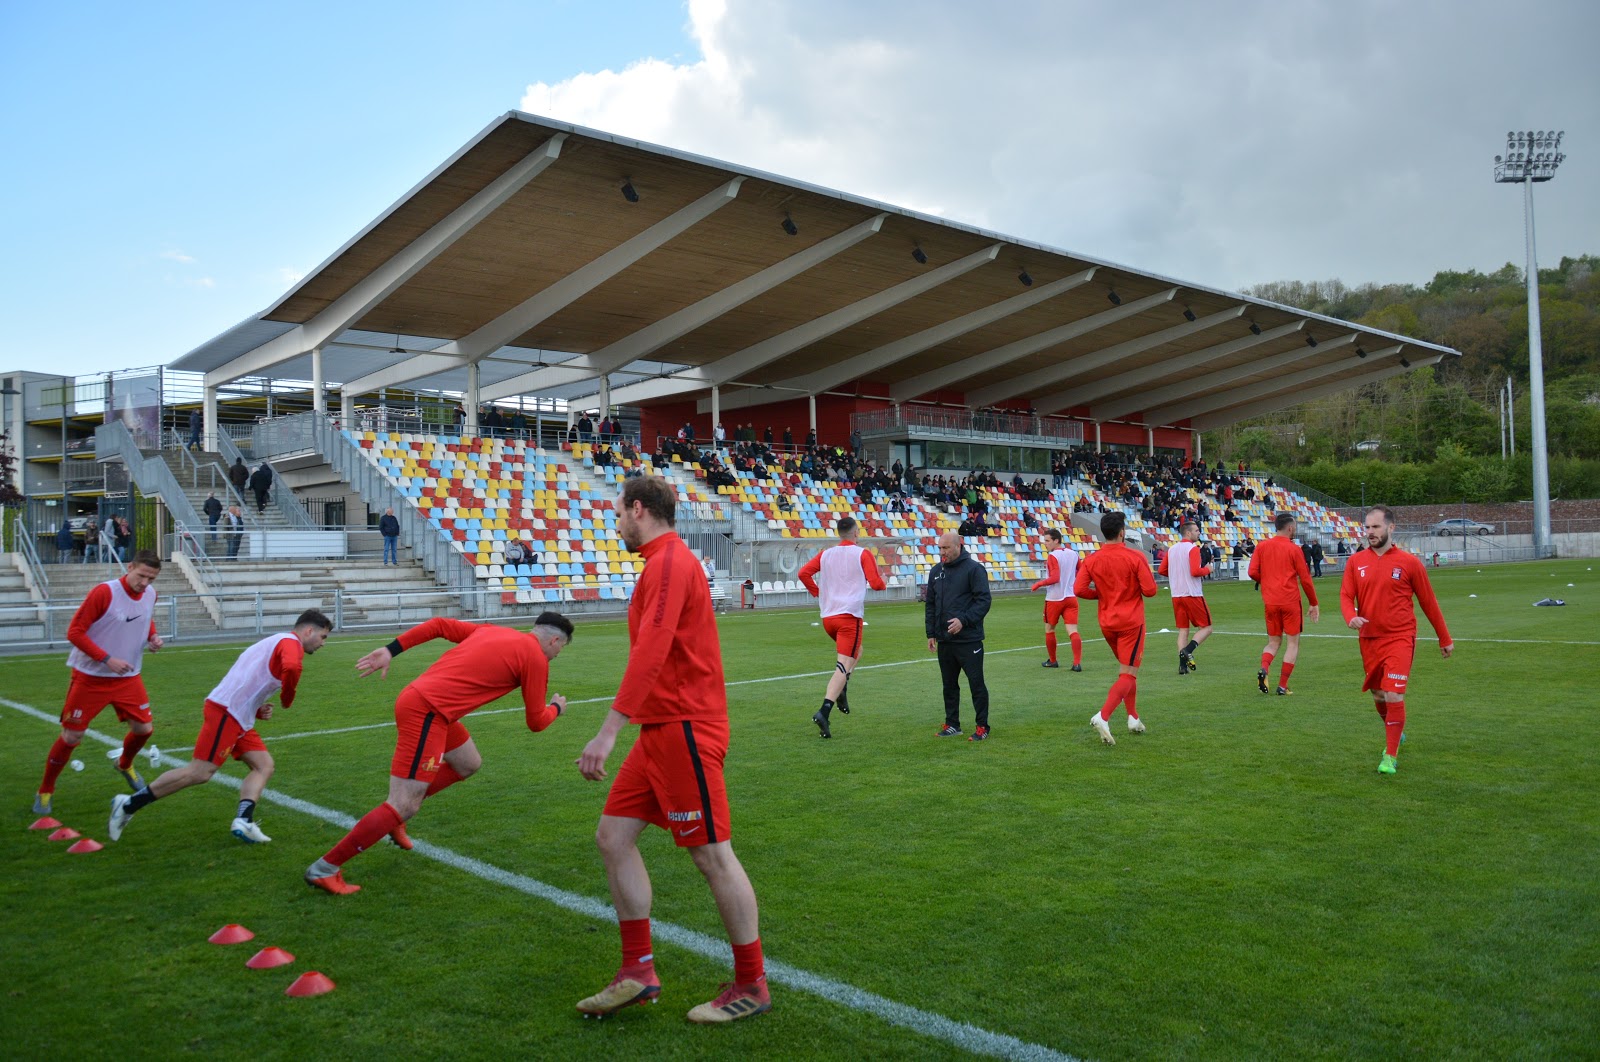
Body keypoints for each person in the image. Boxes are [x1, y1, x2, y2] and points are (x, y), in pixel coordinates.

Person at [575, 475, 770, 1024]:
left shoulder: (667, 563)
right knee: (613, 838)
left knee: (711, 855)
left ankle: (752, 984)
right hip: (660, 729)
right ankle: (638, 970)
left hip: (686, 727)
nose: (616, 524)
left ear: (638, 510)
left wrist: (608, 730)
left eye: (618, 513)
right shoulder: (662, 562)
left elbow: (653, 651)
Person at [304, 611, 574, 895]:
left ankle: (397, 820)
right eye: (561, 648)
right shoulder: (536, 659)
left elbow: (439, 625)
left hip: (430, 707)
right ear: (554, 640)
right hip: (428, 712)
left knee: (468, 763)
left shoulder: (496, 631)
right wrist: (556, 708)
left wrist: (390, 649)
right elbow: (536, 722)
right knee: (404, 803)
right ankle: (325, 868)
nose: (557, 654)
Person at [109, 611, 333, 844]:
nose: (323, 643)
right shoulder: (290, 644)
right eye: (323, 637)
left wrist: (256, 709)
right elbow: (292, 668)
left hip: (238, 716)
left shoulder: (275, 642)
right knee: (199, 772)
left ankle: (244, 821)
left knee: (263, 765)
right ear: (308, 631)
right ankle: (127, 805)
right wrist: (288, 697)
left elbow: (247, 680)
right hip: (227, 713)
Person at [32, 550, 166, 815]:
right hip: (90, 677)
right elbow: (74, 632)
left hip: (127, 677)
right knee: (72, 736)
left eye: (151, 578)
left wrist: (153, 637)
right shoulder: (104, 592)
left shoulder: (151, 594)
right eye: (141, 575)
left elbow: (144, 618)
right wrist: (107, 659)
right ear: (129, 567)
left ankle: (124, 763)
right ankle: (46, 790)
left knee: (144, 729)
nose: (145, 583)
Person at [1340, 505, 1453, 775]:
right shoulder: (1356, 562)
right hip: (1369, 639)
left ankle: (1389, 756)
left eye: (1375, 527)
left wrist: (1444, 637)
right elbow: (1346, 596)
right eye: (1367, 527)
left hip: (1400, 637)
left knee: (1393, 692)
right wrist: (1350, 617)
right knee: (1379, 694)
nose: (1370, 532)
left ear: (1391, 528)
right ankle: (1394, 728)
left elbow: (1429, 602)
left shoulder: (1409, 563)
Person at [797, 517, 887, 739]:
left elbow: (803, 573)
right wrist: (882, 579)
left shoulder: (826, 553)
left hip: (829, 617)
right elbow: (876, 584)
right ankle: (825, 710)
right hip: (849, 616)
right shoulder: (861, 553)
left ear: (839, 533)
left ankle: (842, 689)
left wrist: (818, 593)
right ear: (856, 533)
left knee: (858, 652)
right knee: (843, 663)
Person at [1075, 512, 1158, 745]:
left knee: (1127, 671)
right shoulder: (1135, 557)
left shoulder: (1092, 559)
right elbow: (1150, 590)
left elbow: (1080, 589)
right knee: (1128, 673)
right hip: (1131, 622)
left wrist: (1101, 595)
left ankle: (1133, 717)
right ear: (1122, 532)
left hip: (1107, 622)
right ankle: (1103, 716)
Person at [925, 531, 992, 740]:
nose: (942, 552)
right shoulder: (936, 571)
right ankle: (953, 723)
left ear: (958, 546)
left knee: (976, 683)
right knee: (949, 685)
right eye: (939, 548)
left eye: (946, 548)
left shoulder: (974, 570)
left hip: (969, 639)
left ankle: (982, 726)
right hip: (945, 640)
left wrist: (963, 620)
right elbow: (931, 604)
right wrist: (931, 632)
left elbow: (983, 601)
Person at [1248, 513, 1321, 695]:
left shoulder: (1262, 546)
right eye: (1294, 527)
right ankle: (1282, 685)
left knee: (1273, 642)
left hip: (1271, 601)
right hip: (1289, 601)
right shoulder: (1294, 549)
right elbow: (1305, 579)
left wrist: (1266, 581)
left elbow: (1252, 572)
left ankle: (1264, 668)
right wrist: (1313, 602)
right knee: (1292, 644)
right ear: (1290, 528)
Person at [1160, 521, 1214, 675]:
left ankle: (1182, 667)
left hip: (1177, 594)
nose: (1199, 533)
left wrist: (1177, 574)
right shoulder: (1192, 549)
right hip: (1192, 594)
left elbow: (1163, 569)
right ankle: (1188, 650)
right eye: (1197, 530)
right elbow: (1195, 571)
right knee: (1207, 628)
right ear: (1188, 533)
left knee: (1183, 630)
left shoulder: (1172, 549)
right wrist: (1208, 569)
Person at [1030, 528, 1082, 671]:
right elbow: (1081, 570)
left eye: (1047, 541)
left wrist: (1038, 584)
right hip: (1071, 597)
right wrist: (1072, 581)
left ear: (1056, 541)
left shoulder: (1053, 556)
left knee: (1049, 629)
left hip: (1054, 598)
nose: (1045, 544)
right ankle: (1077, 663)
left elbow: (1055, 578)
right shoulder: (1073, 553)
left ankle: (1053, 661)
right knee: (1072, 630)